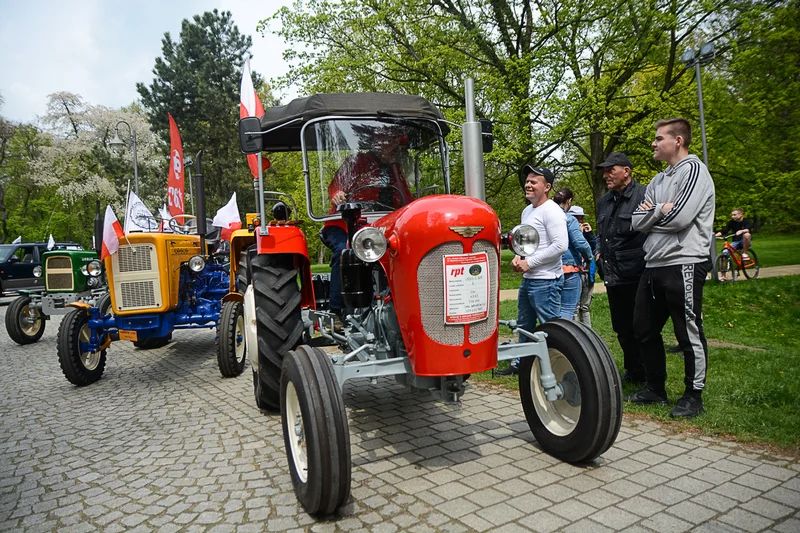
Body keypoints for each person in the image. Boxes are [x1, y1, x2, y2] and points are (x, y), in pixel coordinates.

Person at [628, 118, 715, 419]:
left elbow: (680, 219)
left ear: (677, 140)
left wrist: (653, 218)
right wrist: (658, 211)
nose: (653, 143)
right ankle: (655, 388)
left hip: (684, 262)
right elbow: (635, 222)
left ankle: (694, 395)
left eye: (658, 138)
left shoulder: (693, 171)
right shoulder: (657, 181)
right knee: (643, 327)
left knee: (687, 330)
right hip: (653, 264)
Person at [320, 130, 414, 317]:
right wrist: (337, 194)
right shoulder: (356, 162)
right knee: (344, 251)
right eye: (391, 144)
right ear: (378, 144)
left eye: (397, 146)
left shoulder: (395, 171)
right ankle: (336, 312)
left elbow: (406, 199)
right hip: (345, 223)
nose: (395, 148)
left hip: (381, 224)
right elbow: (337, 185)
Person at [497, 164, 567, 376]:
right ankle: (522, 365)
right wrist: (519, 258)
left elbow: (560, 245)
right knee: (524, 324)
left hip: (546, 281)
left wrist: (531, 263)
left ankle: (558, 366)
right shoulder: (527, 210)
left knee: (550, 328)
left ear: (547, 187)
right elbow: (524, 243)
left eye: (533, 181)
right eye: (527, 181)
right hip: (530, 280)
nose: (528, 184)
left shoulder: (553, 211)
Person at [595, 152, 648, 383]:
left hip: (638, 274)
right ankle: (634, 371)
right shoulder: (604, 201)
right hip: (612, 275)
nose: (606, 175)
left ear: (626, 171)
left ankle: (649, 374)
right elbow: (600, 234)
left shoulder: (645, 195)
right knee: (622, 328)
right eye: (605, 170)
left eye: (611, 169)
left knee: (642, 327)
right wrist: (597, 251)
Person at [553, 189, 592, 321]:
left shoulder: (544, 217)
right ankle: (565, 339)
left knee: (552, 309)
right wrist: (589, 259)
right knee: (567, 309)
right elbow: (580, 243)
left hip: (548, 270)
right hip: (569, 268)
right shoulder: (568, 219)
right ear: (569, 201)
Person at [567, 205, 597, 327]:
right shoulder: (567, 233)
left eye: (581, 219)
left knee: (585, 307)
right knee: (574, 307)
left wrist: (589, 235)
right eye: (577, 219)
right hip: (575, 272)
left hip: (588, 273)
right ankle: (574, 334)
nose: (580, 222)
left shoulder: (586, 235)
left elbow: (595, 249)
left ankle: (589, 334)